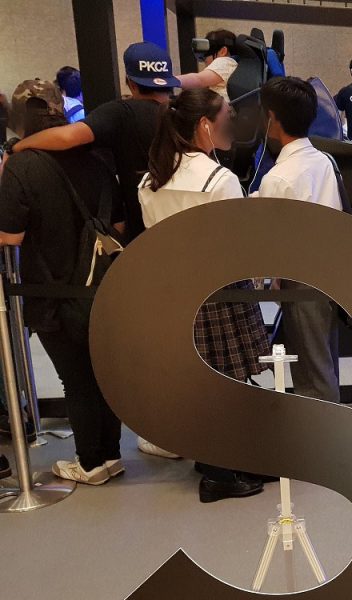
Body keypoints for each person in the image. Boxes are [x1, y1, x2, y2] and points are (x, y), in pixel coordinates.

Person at [138, 88, 270, 503]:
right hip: (220, 291)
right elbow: (237, 247)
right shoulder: (219, 180)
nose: (232, 124)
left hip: (172, 292)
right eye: (226, 117)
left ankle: (218, 459)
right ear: (204, 125)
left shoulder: (150, 181)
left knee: (199, 382)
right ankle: (219, 474)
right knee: (226, 382)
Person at [0, 81, 124, 485]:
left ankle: (90, 462)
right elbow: (119, 224)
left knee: (76, 378)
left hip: (50, 289)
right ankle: (111, 455)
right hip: (102, 286)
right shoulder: (97, 158)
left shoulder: (22, 164)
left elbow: (10, 236)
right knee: (103, 374)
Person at [14, 42, 180, 243]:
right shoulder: (184, 111)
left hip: (145, 230)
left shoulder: (122, 113)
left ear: (131, 83)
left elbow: (67, 137)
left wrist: (19, 146)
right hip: (186, 217)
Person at [255, 77, 345, 403]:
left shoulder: (278, 177)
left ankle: (323, 431)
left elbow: (271, 243)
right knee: (324, 363)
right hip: (331, 274)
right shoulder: (324, 160)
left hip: (301, 280)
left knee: (312, 372)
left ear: (272, 118)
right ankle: (329, 426)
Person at [177, 29, 237, 100]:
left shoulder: (225, 62)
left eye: (207, 52)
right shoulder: (233, 65)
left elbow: (199, 80)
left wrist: (170, 80)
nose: (204, 59)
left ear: (223, 51)